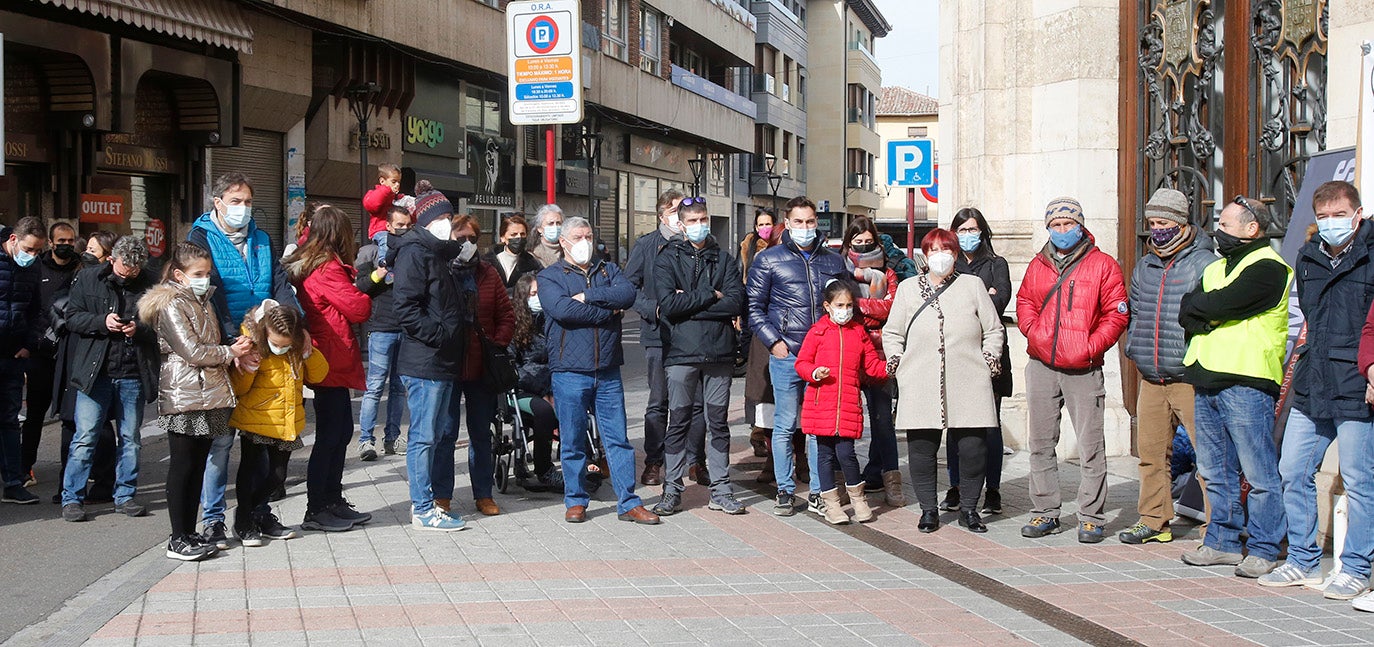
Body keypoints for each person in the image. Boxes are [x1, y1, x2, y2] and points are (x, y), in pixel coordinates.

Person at [1264, 181, 1373, 598]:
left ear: (1357, 214)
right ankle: (1303, 560)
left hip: (1355, 383)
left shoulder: (1370, 255)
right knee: (1292, 469)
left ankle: (1357, 567)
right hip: (1313, 381)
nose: (1331, 224)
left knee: (1360, 479)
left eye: (1339, 215)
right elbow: (1305, 317)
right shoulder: (1308, 255)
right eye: (1323, 217)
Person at [1178, 195, 1290, 578]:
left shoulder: (1269, 267)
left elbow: (1218, 306)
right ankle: (1222, 543)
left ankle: (1263, 547)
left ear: (1251, 229)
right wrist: (1205, 312)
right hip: (1206, 377)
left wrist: (1206, 312)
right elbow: (1186, 309)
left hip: (1246, 381)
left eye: (1224, 224)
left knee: (1258, 472)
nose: (1217, 230)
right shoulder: (1216, 268)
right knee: (1213, 469)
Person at [188, 172, 300, 549]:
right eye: (236, 201)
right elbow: (207, 292)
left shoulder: (262, 239)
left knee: (263, 438)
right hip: (225, 348)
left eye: (248, 201)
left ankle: (256, 512)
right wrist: (231, 339)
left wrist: (290, 318)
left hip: (263, 346)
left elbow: (280, 282)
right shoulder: (200, 239)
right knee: (220, 443)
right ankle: (213, 520)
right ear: (217, 202)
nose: (243, 208)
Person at [1016, 197, 1128, 544]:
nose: (1063, 230)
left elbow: (1117, 313)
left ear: (1081, 225)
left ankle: (1091, 516)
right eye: (1056, 225)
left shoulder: (1103, 265)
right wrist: (1035, 332)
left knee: (1091, 445)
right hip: (1042, 364)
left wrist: (1090, 346)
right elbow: (1024, 303)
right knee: (1040, 442)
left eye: (1069, 224)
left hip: (1083, 367)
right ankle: (1045, 512)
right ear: (1048, 228)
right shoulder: (1038, 265)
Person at [538, 216, 659, 525]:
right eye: (578, 237)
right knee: (573, 439)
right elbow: (561, 310)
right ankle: (576, 499)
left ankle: (628, 502)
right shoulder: (551, 276)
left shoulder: (609, 269)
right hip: (569, 370)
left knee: (617, 439)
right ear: (563, 242)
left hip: (606, 369)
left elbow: (627, 295)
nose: (585, 243)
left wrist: (589, 296)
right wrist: (607, 312)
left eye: (589, 236)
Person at [884, 228, 1005, 533]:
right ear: (925, 254)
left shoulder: (972, 285)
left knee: (973, 449)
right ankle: (928, 510)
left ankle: (969, 509)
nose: (940, 255)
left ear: (954, 254)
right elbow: (892, 332)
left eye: (946, 249)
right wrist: (897, 362)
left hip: (969, 377)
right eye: (933, 249)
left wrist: (988, 359)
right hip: (920, 377)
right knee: (922, 450)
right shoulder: (909, 288)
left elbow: (993, 329)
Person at [137, 241, 250, 560]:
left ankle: (190, 531)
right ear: (179, 274)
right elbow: (192, 351)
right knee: (183, 465)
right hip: (184, 392)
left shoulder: (203, 300)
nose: (204, 278)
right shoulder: (172, 303)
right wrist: (230, 352)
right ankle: (177, 537)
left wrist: (232, 347)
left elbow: (209, 342)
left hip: (209, 391)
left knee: (198, 463)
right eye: (198, 273)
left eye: (207, 273)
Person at [1120, 189, 1214, 545]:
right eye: (1152, 224)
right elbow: (1137, 310)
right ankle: (1154, 519)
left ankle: (1216, 525)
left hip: (1188, 375)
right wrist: (1135, 350)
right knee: (1152, 454)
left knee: (1208, 455)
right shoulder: (1145, 265)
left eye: (1162, 223)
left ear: (1180, 223)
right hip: (1151, 375)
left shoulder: (1203, 262)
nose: (1156, 230)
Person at [746, 196, 848, 516]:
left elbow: (844, 305)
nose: (805, 228)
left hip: (821, 356)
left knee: (817, 427)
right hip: (787, 353)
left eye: (810, 222)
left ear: (817, 222)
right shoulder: (769, 260)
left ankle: (818, 491)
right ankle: (785, 490)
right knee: (785, 425)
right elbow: (753, 308)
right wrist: (774, 342)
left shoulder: (833, 261)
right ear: (787, 224)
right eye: (799, 222)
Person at [650, 197, 746, 516]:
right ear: (681, 223)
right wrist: (708, 295)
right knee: (678, 421)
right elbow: (668, 306)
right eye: (692, 220)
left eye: (702, 218)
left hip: (719, 353)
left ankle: (720, 489)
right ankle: (672, 488)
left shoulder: (725, 260)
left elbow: (735, 303)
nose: (699, 224)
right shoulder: (667, 259)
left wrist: (690, 304)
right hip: (681, 354)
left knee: (717, 422)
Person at [285, 205, 373, 532]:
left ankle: (332, 501)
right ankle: (318, 506)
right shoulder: (326, 268)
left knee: (340, 432)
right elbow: (358, 307)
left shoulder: (314, 262)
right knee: (331, 435)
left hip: (328, 355)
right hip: (330, 355)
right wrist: (368, 286)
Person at [60, 236, 160, 522]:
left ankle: (125, 495)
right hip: (96, 372)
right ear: (112, 260)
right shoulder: (88, 278)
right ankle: (72, 498)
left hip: (132, 372)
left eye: (135, 270)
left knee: (130, 438)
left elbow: (163, 326)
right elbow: (72, 318)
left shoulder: (151, 282)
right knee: (85, 436)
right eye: (124, 269)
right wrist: (101, 322)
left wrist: (138, 330)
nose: (129, 274)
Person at [392, 185, 468, 531]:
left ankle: (434, 502)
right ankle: (422, 508)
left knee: (439, 435)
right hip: (426, 361)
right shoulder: (415, 252)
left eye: (449, 216)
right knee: (423, 436)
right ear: (423, 220)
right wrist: (438, 336)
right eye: (439, 216)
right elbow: (406, 308)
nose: (445, 222)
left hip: (445, 361)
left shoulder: (441, 253)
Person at [229, 299, 327, 547]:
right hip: (257, 418)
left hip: (287, 421)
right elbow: (238, 388)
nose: (280, 348)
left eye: (286, 345)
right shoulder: (253, 345)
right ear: (264, 333)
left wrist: (308, 352)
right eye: (275, 344)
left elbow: (318, 375)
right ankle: (245, 519)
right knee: (250, 471)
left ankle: (253, 513)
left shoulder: (296, 347)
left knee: (277, 475)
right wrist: (248, 368)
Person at [626, 189, 704, 487]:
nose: (678, 215)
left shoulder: (697, 243)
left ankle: (697, 461)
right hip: (658, 333)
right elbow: (629, 286)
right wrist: (652, 309)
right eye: (673, 210)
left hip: (694, 334)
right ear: (662, 215)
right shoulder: (646, 245)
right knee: (658, 402)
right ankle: (654, 462)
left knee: (695, 404)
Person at [439, 215, 514, 517]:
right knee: (445, 433)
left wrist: (496, 343)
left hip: (482, 365)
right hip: (448, 364)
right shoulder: (441, 270)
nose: (466, 245)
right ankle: (441, 495)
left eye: (472, 239)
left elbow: (506, 314)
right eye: (460, 239)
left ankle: (483, 494)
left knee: (481, 433)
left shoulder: (488, 273)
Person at [798, 280, 888, 525]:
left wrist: (889, 367)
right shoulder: (817, 332)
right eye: (840, 305)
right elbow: (802, 363)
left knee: (847, 454)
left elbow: (871, 365)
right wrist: (815, 373)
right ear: (827, 306)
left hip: (847, 403)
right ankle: (832, 504)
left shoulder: (858, 332)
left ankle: (858, 500)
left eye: (849, 305)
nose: (844, 310)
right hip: (821, 404)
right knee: (825, 454)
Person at [943, 208, 1014, 515]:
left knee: (990, 425)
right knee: (956, 426)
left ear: (982, 232)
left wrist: (976, 301)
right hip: (956, 353)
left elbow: (1001, 300)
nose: (967, 235)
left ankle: (993, 489)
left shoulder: (997, 264)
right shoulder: (947, 265)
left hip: (989, 355)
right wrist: (983, 297)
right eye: (962, 230)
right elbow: (942, 303)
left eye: (973, 229)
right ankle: (956, 486)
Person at [840, 216, 903, 508]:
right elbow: (840, 307)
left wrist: (858, 305)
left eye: (869, 241)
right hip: (850, 350)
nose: (864, 247)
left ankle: (891, 480)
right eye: (858, 242)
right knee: (846, 419)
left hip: (880, 353)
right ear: (849, 242)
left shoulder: (888, 273)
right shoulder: (842, 271)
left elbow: (890, 308)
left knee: (882, 421)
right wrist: (865, 309)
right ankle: (848, 479)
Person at [20, 221, 81, 490]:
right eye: (61, 241)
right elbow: (28, 308)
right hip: (40, 353)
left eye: (70, 241)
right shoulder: (36, 267)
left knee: (71, 417)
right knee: (35, 414)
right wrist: (32, 341)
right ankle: (24, 467)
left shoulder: (83, 268)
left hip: (70, 354)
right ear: (51, 242)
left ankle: (71, 474)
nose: (66, 245)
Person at [355, 205, 412, 461]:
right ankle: (366, 440)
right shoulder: (371, 252)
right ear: (388, 226)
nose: (404, 230)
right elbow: (361, 287)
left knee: (399, 388)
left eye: (408, 225)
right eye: (399, 225)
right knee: (375, 386)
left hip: (407, 327)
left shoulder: (413, 251)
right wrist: (379, 274)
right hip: (381, 327)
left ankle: (391, 438)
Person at [1, 217, 46, 504]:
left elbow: (37, 310)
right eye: (29, 249)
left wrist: (29, 345)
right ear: (14, 240)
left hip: (13, 355)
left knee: (8, 420)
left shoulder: (31, 267)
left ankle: (14, 482)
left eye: (38, 251)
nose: (32, 257)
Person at [509, 274, 563, 491]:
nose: (538, 299)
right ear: (523, 297)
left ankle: (586, 462)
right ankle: (544, 468)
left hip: (552, 383)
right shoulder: (513, 324)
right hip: (523, 389)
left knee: (576, 402)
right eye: (533, 294)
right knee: (544, 411)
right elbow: (512, 365)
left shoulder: (552, 320)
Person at [486, 213, 543, 294]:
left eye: (522, 234)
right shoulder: (487, 263)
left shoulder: (533, 264)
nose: (519, 238)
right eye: (514, 234)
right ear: (503, 238)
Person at [362, 162, 407, 241]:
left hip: (397, 231)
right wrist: (387, 190)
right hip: (381, 230)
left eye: (399, 182)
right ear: (382, 181)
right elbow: (372, 205)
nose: (397, 185)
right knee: (385, 240)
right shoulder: (374, 194)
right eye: (394, 182)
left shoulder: (398, 198)